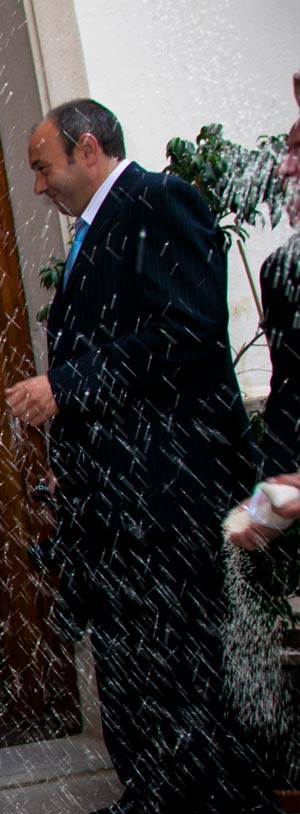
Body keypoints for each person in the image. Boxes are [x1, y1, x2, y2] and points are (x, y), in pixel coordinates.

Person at [6, 98, 282, 814]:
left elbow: (186, 333)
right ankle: (158, 788)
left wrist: (67, 388)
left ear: (88, 148)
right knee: (135, 652)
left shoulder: (162, 201)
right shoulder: (98, 227)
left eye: (42, 164)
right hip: (120, 490)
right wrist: (74, 456)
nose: (37, 184)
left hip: (174, 482)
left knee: (194, 652)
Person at [229, 70, 300, 552]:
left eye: (298, 150)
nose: (284, 168)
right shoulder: (283, 274)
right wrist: (265, 501)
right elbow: (290, 396)